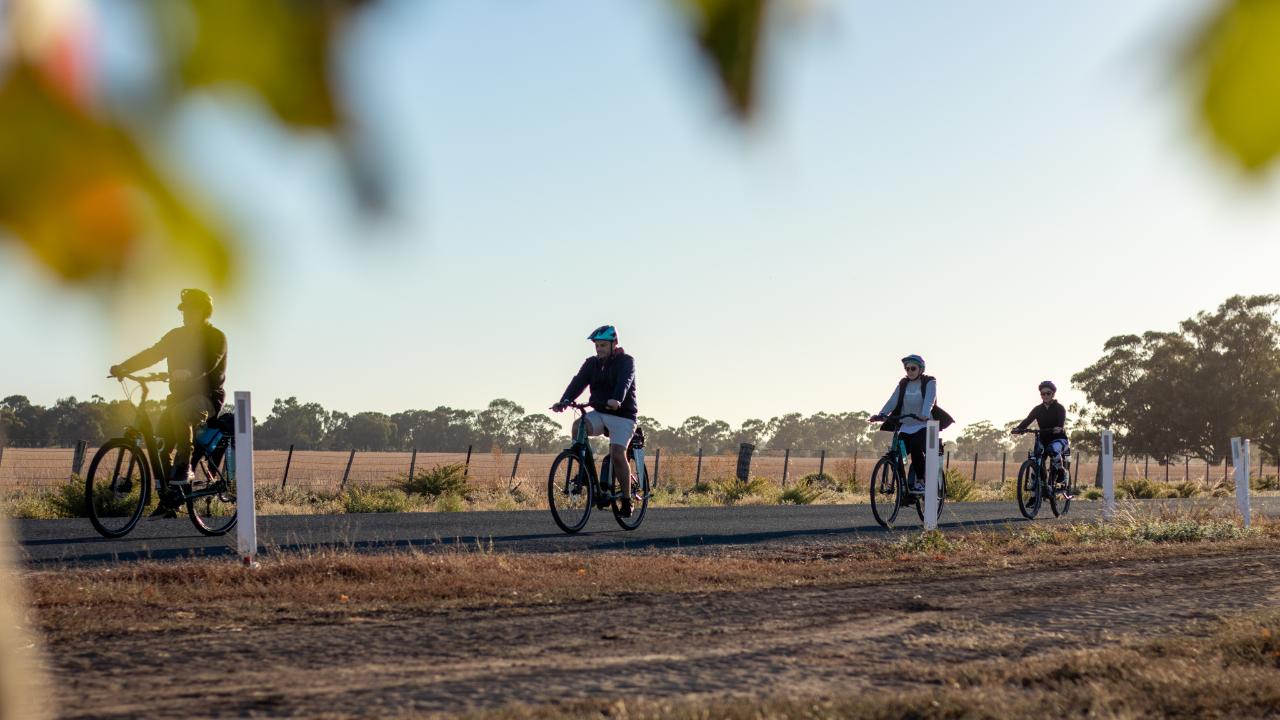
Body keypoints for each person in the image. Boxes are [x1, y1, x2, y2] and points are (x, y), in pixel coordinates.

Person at [109, 289, 227, 515]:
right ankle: (171, 499)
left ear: (202, 311)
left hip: (207, 398)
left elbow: (211, 363)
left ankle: (184, 467)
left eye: (190, 310)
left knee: (180, 413)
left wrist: (189, 372)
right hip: (178, 399)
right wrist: (124, 367)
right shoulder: (175, 336)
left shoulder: (216, 337)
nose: (185, 314)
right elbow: (152, 353)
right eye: (183, 310)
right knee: (161, 442)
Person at [552, 325, 639, 516]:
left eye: (602, 345)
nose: (599, 349)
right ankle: (585, 476)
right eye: (597, 346)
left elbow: (625, 381)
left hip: (622, 415)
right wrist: (564, 400)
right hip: (600, 411)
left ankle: (626, 499)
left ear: (614, 344)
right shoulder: (591, 363)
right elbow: (578, 382)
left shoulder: (626, 361)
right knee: (578, 426)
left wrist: (617, 399)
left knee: (617, 454)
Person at [870, 354, 936, 492]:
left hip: (923, 425)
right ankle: (903, 485)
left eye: (913, 368)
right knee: (899, 455)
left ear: (921, 369)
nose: (910, 371)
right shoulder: (903, 384)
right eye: (907, 369)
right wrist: (881, 415)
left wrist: (924, 414)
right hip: (906, 427)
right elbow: (892, 400)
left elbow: (930, 399)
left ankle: (920, 480)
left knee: (915, 445)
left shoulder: (929, 382)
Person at [1011, 380, 1070, 489]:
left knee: (1053, 449)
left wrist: (1058, 428)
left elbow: (1060, 425)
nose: (1045, 395)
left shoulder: (1059, 408)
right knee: (1036, 460)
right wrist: (1019, 429)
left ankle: (1062, 472)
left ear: (1053, 394)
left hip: (1059, 439)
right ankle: (1035, 494)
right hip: (1043, 439)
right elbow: (1028, 420)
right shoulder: (1037, 409)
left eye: (1048, 393)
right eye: (1043, 393)